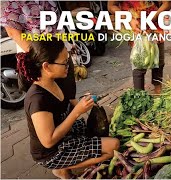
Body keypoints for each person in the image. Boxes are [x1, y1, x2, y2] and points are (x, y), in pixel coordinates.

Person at [16, 38, 120, 179]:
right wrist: (77, 112)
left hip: (65, 134)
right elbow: (48, 141)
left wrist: (85, 102)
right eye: (65, 62)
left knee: (99, 128)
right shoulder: (37, 99)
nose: (69, 65)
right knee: (113, 146)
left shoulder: (55, 79)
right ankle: (61, 168)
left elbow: (70, 101)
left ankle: (73, 161)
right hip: (51, 152)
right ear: (46, 67)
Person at [0, 1, 77, 105]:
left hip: (61, 50)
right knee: (49, 103)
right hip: (41, 60)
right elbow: (15, 34)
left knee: (68, 95)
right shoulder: (7, 2)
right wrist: (43, 60)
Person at [108, 1, 171, 94]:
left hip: (155, 25)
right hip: (134, 27)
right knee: (139, 65)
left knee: (158, 61)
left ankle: (158, 90)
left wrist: (152, 18)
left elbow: (167, 3)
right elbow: (111, 6)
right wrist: (128, 19)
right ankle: (139, 97)